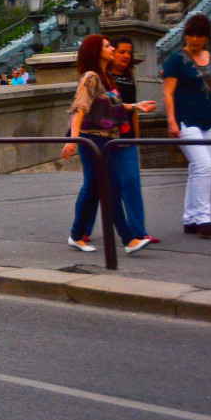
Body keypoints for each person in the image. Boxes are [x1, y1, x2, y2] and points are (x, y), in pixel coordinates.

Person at [61, 35, 157, 255]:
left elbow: (111, 103)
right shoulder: (91, 77)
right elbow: (79, 108)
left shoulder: (105, 77)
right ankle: (128, 240)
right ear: (96, 52)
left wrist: (136, 106)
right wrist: (73, 140)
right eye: (107, 46)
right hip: (92, 139)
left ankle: (76, 235)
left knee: (94, 188)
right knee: (111, 186)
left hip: (106, 139)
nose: (112, 48)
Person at [161, 14, 211, 238]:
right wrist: (171, 121)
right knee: (204, 166)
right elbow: (168, 93)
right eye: (190, 34)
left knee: (199, 169)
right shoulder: (175, 60)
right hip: (185, 121)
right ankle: (204, 219)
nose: (194, 39)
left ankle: (190, 219)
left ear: (206, 37)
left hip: (210, 121)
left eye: (199, 35)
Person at [108, 36, 156, 246]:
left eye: (129, 52)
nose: (126, 56)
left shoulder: (129, 76)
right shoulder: (104, 77)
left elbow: (134, 108)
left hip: (127, 137)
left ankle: (138, 232)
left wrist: (136, 136)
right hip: (107, 138)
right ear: (113, 53)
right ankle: (80, 231)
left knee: (132, 184)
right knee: (98, 187)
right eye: (122, 52)